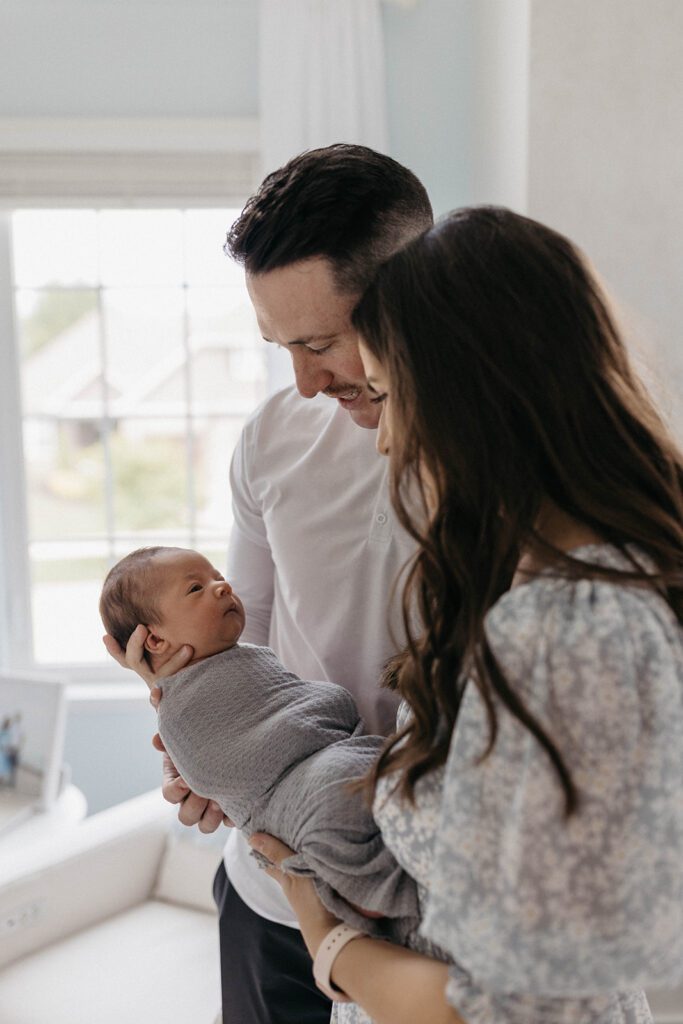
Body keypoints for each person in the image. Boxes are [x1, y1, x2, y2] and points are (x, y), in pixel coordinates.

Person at [249, 206, 683, 1024]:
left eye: (385, 395)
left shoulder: (574, 632)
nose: (384, 443)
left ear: (463, 398)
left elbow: (501, 1012)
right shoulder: (537, 588)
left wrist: (323, 932)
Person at [103, 144, 433, 1024]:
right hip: (271, 882)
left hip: (428, 889)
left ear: (419, 296)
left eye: (322, 342)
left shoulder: (516, 460)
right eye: (284, 346)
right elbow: (232, 637)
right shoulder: (275, 437)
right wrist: (195, 733)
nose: (306, 381)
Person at [99, 545, 419, 938]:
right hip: (299, 800)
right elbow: (218, 768)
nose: (222, 586)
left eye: (217, 576)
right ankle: (373, 893)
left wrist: (323, 711)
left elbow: (297, 703)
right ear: (155, 641)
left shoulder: (248, 657)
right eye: (196, 588)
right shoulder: (180, 707)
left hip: (350, 753)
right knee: (339, 820)